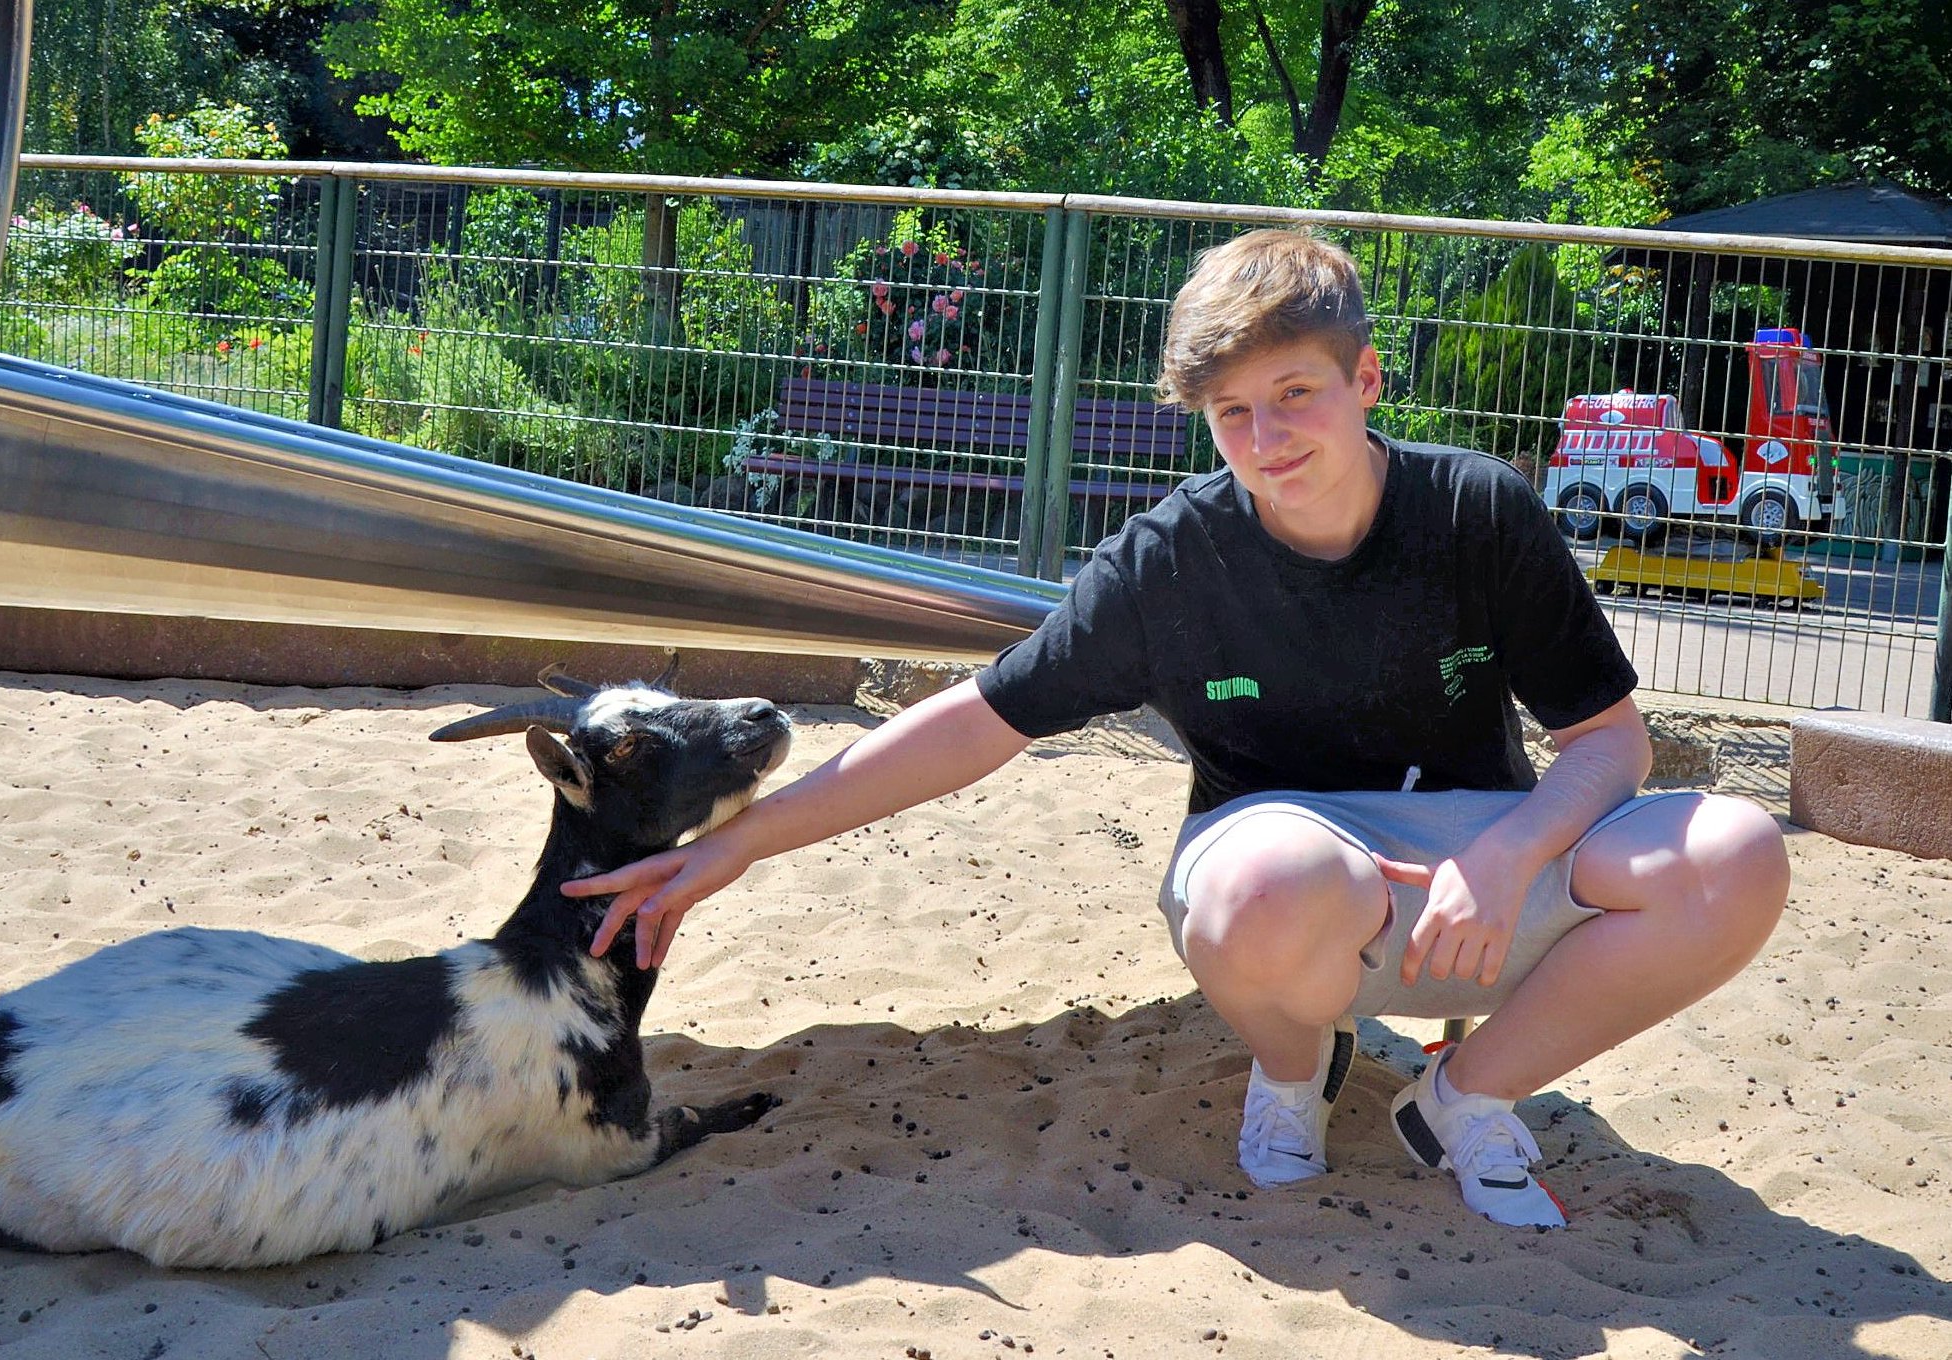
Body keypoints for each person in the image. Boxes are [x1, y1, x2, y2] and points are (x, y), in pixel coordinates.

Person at [565, 229, 1790, 1229]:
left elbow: (1610, 743)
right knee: (1268, 880)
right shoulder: (1169, 558)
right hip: (1286, 886)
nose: (1267, 442)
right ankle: (1293, 1068)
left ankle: (1460, 1098)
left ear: (1367, 381)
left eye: (1295, 394)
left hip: (1478, 867)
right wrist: (744, 840)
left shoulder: (1477, 511)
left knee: (1734, 852)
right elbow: (977, 722)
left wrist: (1512, 852)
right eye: (1231, 413)